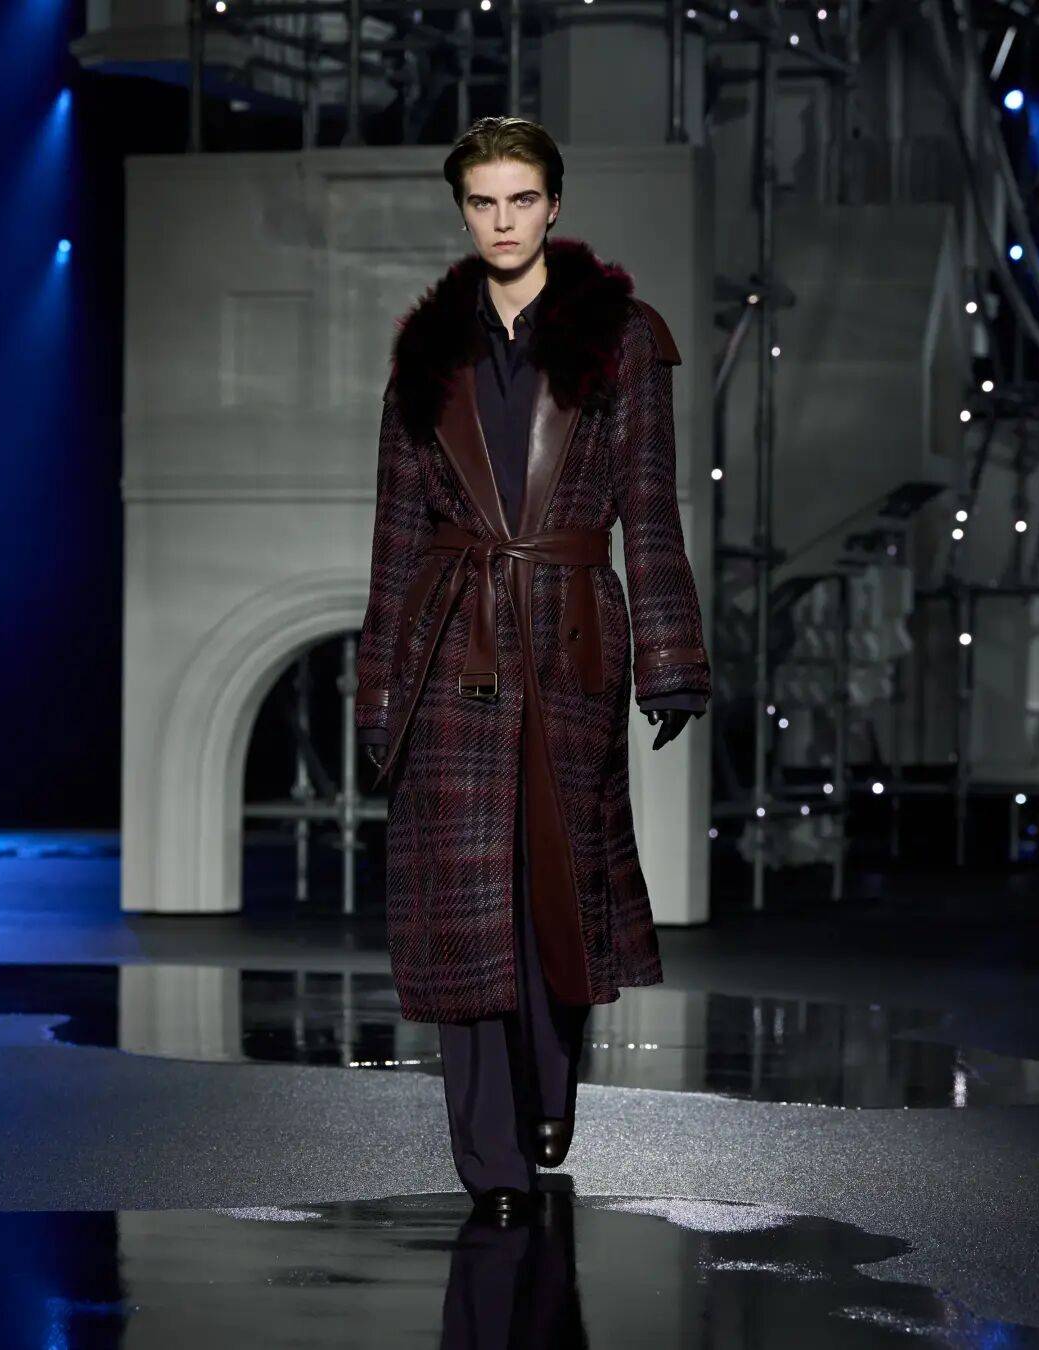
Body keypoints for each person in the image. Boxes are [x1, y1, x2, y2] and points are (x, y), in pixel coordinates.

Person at [355, 116, 711, 1225]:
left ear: (554, 205)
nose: (502, 221)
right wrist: (378, 687)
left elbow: (649, 503)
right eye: (482, 202)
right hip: (451, 637)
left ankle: (549, 1093)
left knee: (556, 885)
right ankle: (491, 1156)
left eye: (521, 200)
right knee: (464, 901)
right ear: (462, 212)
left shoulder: (623, 339)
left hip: (571, 635)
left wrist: (672, 659)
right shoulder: (427, 354)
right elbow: (395, 537)